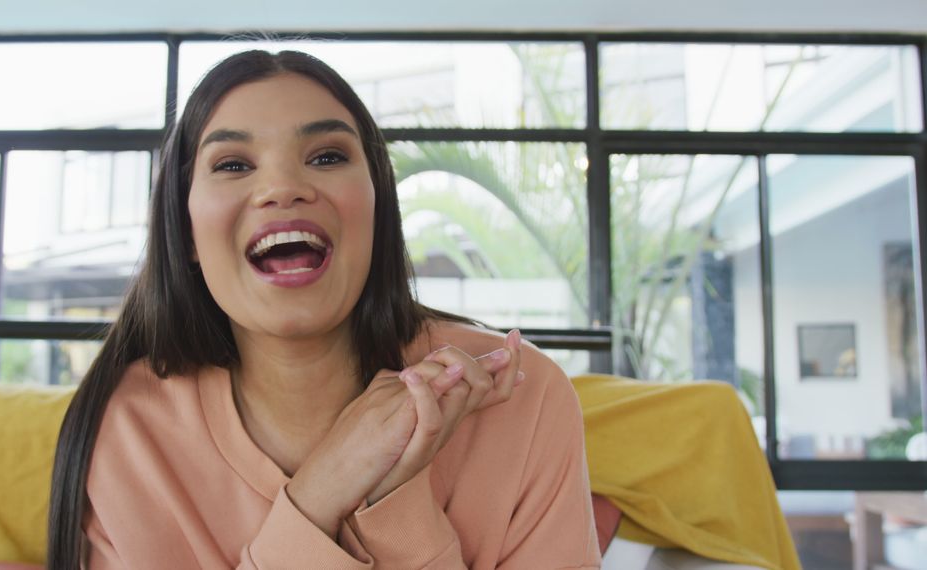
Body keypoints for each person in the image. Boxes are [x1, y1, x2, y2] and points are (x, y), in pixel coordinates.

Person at [47, 49, 601, 570]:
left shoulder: (521, 398)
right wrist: (320, 493)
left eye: (328, 156)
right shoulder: (126, 429)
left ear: (378, 206)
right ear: (186, 232)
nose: (283, 187)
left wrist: (394, 504)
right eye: (234, 165)